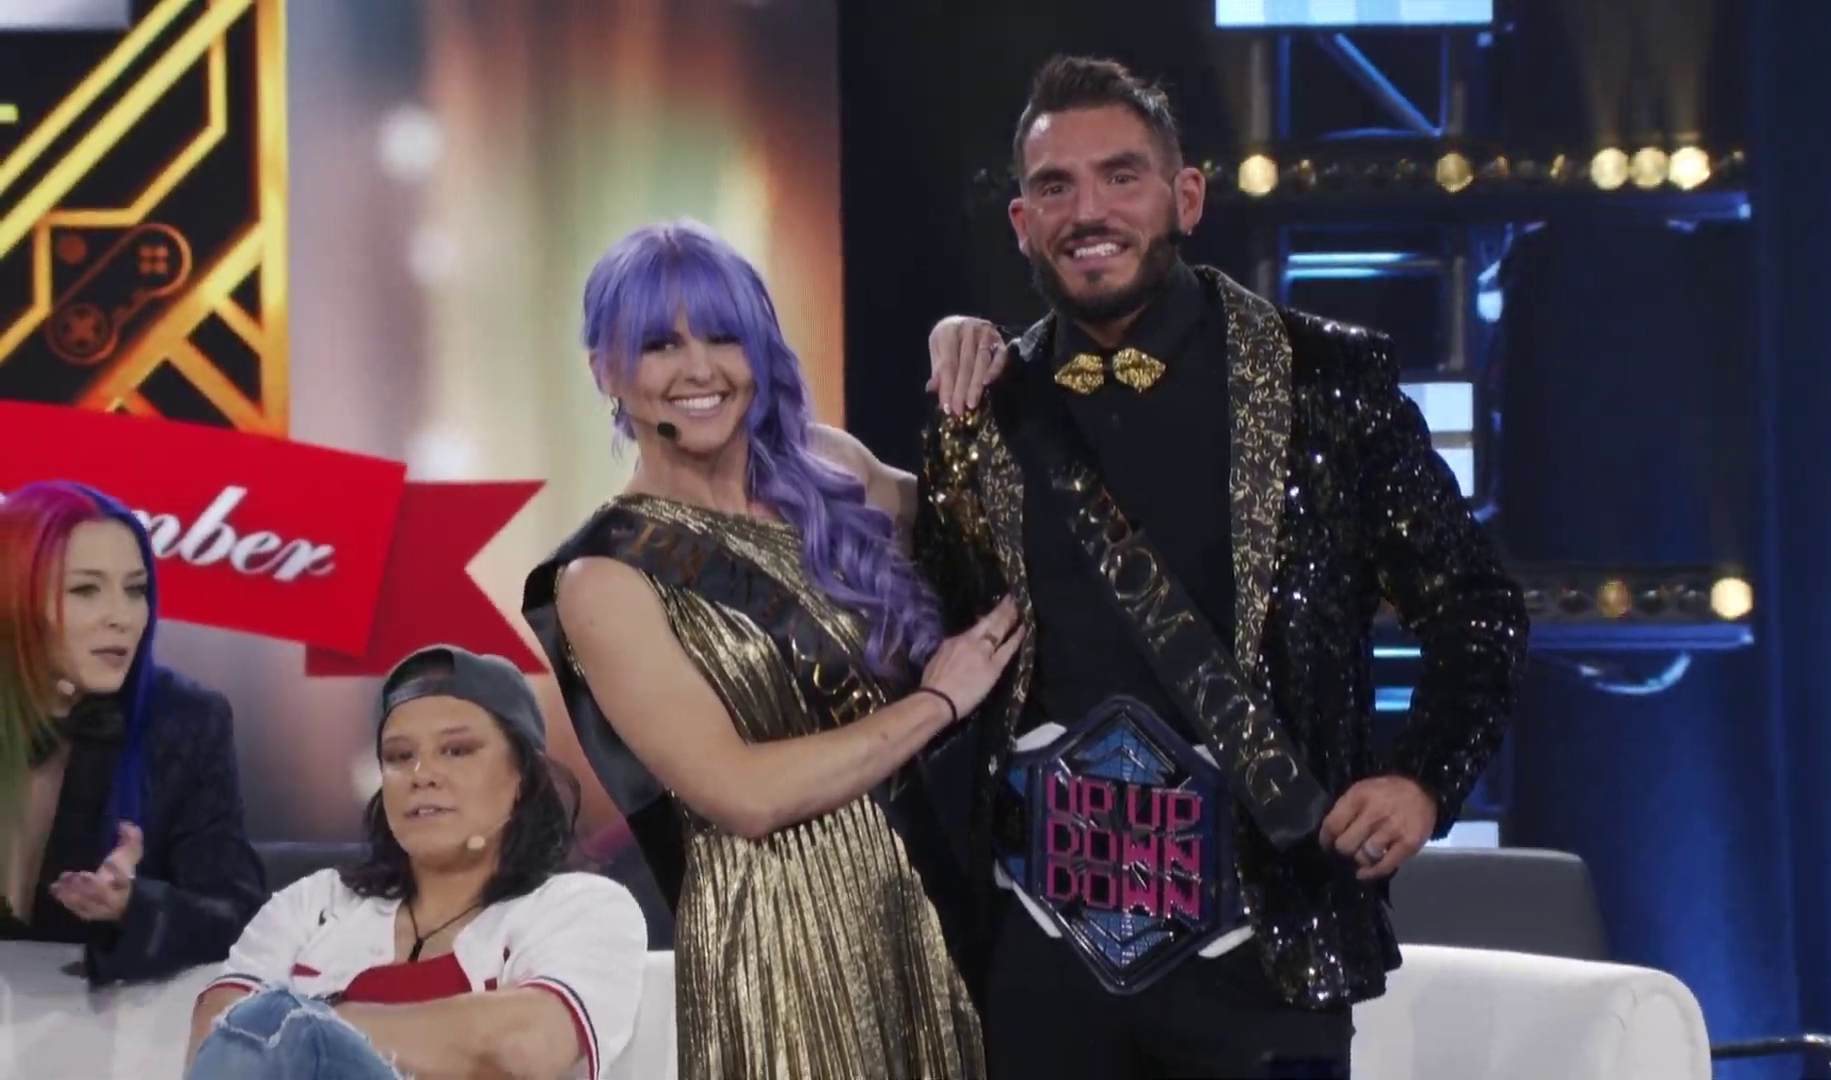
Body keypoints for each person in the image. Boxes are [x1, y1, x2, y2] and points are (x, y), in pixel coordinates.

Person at [915, 56, 1531, 1079]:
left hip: (1264, 944)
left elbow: (1477, 607)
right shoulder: (979, 414)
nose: (1089, 211)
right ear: (1022, 223)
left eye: (1122, 176)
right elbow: (920, 625)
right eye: (1056, 187)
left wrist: (1423, 777)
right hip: (1040, 956)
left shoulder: (1326, 380)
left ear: (1186, 198)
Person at [521, 219, 1014, 1080]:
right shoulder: (603, 578)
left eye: (724, 336)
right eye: (660, 345)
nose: (700, 369)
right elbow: (743, 795)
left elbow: (992, 518)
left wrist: (977, 356)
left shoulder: (829, 470)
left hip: (928, 897)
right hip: (784, 943)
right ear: (605, 369)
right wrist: (936, 703)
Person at [184, 644, 649, 1080]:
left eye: (457, 750)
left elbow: (526, 1044)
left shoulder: (582, 906)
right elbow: (220, 1044)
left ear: (523, 777)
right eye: (400, 756)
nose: (422, 776)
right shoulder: (313, 903)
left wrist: (310, 1028)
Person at [0, 479, 265, 985]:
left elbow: (238, 914)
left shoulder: (186, 721)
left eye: (135, 590)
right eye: (85, 590)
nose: (121, 617)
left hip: (100, 1022)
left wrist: (132, 908)